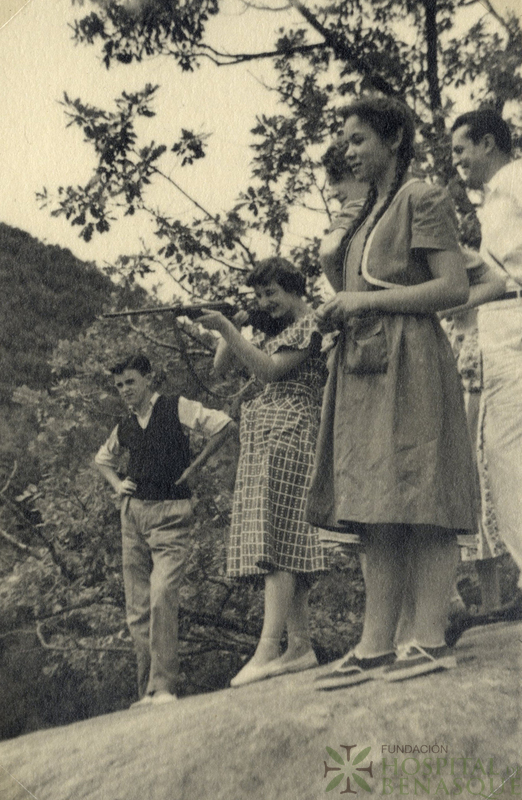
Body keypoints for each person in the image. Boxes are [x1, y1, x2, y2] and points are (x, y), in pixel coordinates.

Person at [307, 96, 476, 688]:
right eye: (346, 141)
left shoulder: (421, 197)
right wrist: (339, 306)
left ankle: (428, 640)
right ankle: (374, 646)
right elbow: (358, 288)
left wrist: (366, 301)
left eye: (357, 140)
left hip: (413, 362)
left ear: (394, 139)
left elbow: (452, 287)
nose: (347, 151)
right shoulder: (364, 214)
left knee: (422, 494)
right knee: (373, 504)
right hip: (364, 367)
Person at [198, 258, 329, 687]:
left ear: (293, 288)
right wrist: (237, 324)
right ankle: (299, 646)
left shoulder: (309, 324)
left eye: (271, 293)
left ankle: (268, 648)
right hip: (271, 432)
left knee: (278, 542)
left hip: (291, 429)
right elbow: (220, 369)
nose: (265, 302)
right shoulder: (278, 327)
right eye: (258, 295)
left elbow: (269, 370)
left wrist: (228, 328)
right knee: (283, 540)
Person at [94, 353, 236, 707]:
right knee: (138, 607)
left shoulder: (175, 407)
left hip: (171, 514)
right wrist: (116, 484)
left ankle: (165, 687)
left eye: (131, 382)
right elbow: (102, 459)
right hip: (133, 516)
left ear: (148, 378)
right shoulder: (126, 425)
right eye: (120, 385)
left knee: (162, 596)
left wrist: (196, 468)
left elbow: (224, 425)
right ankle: (148, 693)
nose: (126, 389)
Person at [451, 109, 522, 610]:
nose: (457, 160)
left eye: (461, 149)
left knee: (506, 453)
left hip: (515, 325)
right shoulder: (493, 201)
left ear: (490, 144)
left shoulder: (514, 183)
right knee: (501, 457)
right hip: (501, 324)